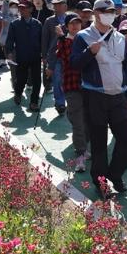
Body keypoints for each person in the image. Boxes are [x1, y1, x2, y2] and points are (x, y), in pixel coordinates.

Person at [70, 0, 127, 198]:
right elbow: (74, 64)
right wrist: (89, 52)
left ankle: (115, 174)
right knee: (99, 143)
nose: (110, 14)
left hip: (118, 97)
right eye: (105, 11)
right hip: (94, 96)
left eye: (113, 11)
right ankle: (101, 183)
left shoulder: (120, 37)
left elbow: (125, 67)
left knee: (125, 139)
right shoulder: (83, 36)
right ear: (95, 13)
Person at [55, 13, 89, 173]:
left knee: (87, 119)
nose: (75, 26)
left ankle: (85, 147)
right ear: (67, 26)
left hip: (89, 87)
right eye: (72, 23)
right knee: (78, 122)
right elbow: (69, 58)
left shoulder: (85, 39)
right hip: (72, 85)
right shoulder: (64, 42)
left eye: (78, 23)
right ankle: (81, 153)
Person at [6, 0, 44, 112]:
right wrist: (9, 53)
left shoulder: (37, 24)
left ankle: (34, 102)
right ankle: (18, 93)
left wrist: (44, 55)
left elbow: (42, 40)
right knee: (21, 78)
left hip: (35, 56)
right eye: (20, 8)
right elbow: (10, 40)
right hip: (21, 56)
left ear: (31, 9)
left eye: (24, 8)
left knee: (37, 80)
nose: (21, 10)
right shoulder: (15, 24)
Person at [42, 0, 69, 114]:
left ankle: (70, 101)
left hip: (69, 55)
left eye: (60, 5)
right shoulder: (49, 21)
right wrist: (44, 56)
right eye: (55, 5)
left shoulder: (71, 19)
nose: (57, 7)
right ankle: (60, 103)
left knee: (68, 80)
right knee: (57, 79)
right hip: (55, 56)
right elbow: (44, 40)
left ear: (65, 6)